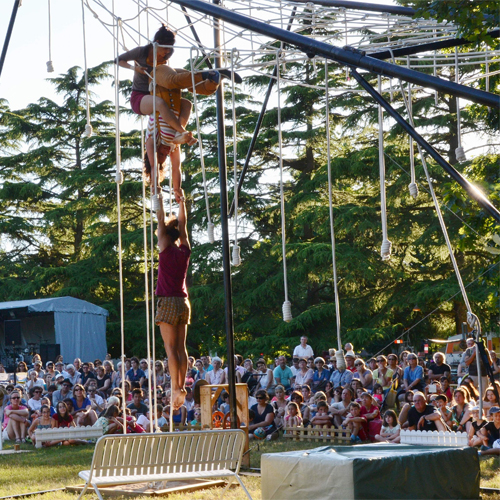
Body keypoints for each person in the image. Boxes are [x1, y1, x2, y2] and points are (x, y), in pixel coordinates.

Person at [155, 189, 191, 410]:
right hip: (183, 302)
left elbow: (159, 219)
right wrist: (181, 202)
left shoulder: (166, 248)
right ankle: (181, 385)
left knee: (170, 349)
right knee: (181, 348)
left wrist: (157, 195)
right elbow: (183, 224)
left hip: (168, 301)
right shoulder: (184, 250)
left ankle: (176, 388)